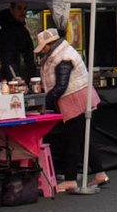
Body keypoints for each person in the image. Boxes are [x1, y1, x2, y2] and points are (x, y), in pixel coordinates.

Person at [35, 26, 104, 189]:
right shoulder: (64, 52)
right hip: (80, 96)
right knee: (82, 139)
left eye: (43, 47)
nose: (42, 51)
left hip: (74, 99)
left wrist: (46, 100)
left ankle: (70, 179)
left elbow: (61, 86)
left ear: (50, 44)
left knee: (72, 140)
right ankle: (100, 173)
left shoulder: (63, 57)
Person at [0, 2, 36, 82]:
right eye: (19, 8)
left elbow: (28, 55)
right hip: (16, 76)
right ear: (12, 10)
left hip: (23, 74)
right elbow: (8, 57)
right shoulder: (8, 30)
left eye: (25, 9)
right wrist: (15, 78)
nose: (23, 12)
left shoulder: (21, 29)